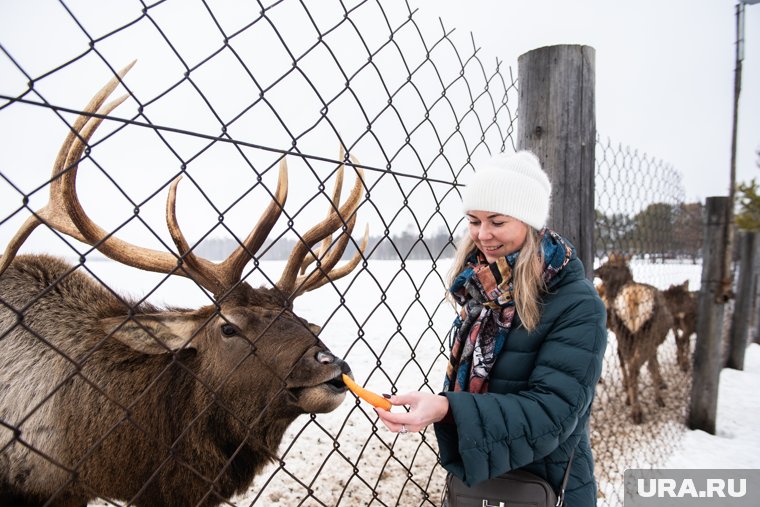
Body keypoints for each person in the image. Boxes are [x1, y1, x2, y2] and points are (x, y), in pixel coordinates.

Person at [375, 150, 607, 506]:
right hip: (483, 487)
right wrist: (442, 405)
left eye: (497, 222)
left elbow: (552, 414)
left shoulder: (578, 304)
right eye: (473, 221)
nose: (483, 235)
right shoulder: (483, 292)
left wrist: (446, 408)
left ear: (529, 222)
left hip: (548, 488)